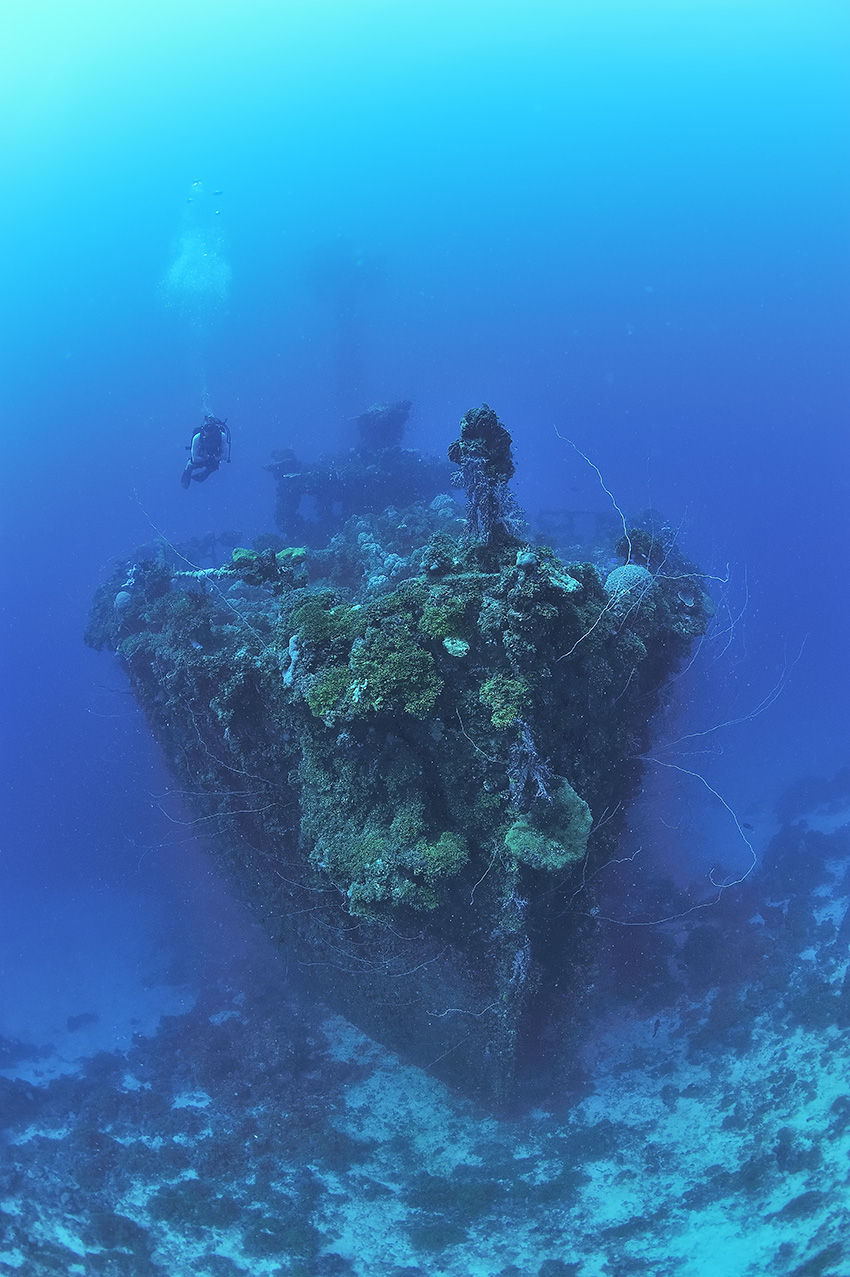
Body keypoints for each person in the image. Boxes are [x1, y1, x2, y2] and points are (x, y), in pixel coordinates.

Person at [181, 415, 232, 488]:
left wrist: (214, 459)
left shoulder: (222, 436)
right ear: (202, 428)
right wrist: (208, 458)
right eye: (206, 429)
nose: (209, 432)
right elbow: (194, 457)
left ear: (215, 428)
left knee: (212, 467)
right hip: (202, 457)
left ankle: (207, 472)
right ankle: (185, 481)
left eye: (211, 428)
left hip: (214, 458)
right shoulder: (197, 437)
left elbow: (225, 455)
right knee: (190, 465)